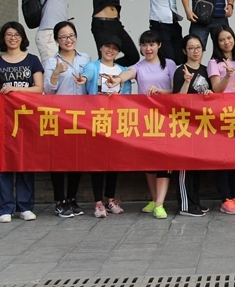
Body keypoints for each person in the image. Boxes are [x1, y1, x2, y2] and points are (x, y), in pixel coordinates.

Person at [0, 22, 43, 223]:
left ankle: (25, 206)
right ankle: (4, 207)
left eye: (16, 34)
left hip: (26, 117)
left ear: (22, 37)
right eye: (8, 34)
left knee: (25, 160)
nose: (13, 38)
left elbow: (39, 89)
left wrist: (15, 89)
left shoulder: (32, 60)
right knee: (1, 160)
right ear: (3, 38)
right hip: (3, 118)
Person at [108, 30, 177, 219]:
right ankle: (154, 200)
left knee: (164, 161)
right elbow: (127, 74)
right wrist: (117, 80)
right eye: (144, 45)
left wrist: (161, 91)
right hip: (146, 121)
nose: (148, 48)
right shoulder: (139, 66)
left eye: (152, 44)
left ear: (159, 45)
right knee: (150, 163)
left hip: (166, 119)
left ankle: (160, 204)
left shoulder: (169, 64)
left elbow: (175, 90)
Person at [80, 34, 132, 218]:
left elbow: (127, 95)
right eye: (107, 46)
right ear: (101, 48)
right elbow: (87, 75)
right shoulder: (93, 66)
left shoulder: (122, 70)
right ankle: (97, 203)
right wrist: (83, 79)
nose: (111, 50)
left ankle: (110, 199)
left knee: (113, 162)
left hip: (116, 122)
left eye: (115, 48)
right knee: (97, 162)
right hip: (96, 121)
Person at [43, 21, 90, 218]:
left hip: (81, 116)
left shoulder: (85, 58)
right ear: (57, 40)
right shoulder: (50, 62)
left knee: (77, 158)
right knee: (58, 159)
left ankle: (72, 198)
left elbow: (91, 84)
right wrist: (56, 72)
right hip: (60, 116)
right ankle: (59, 201)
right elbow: (47, 90)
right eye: (63, 37)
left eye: (71, 36)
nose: (68, 40)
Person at [208, 25, 235, 215]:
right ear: (217, 43)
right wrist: (227, 76)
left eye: (229, 38)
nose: (226, 42)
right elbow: (216, 89)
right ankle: (225, 199)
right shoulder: (214, 62)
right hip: (222, 114)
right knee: (222, 158)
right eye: (221, 40)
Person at [173, 34, 213, 216]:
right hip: (184, 126)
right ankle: (185, 205)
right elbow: (177, 100)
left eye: (198, 47)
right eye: (191, 48)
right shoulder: (180, 71)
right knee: (185, 167)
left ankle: (195, 202)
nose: (195, 51)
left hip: (201, 125)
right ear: (184, 51)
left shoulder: (206, 70)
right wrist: (187, 82)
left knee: (197, 166)